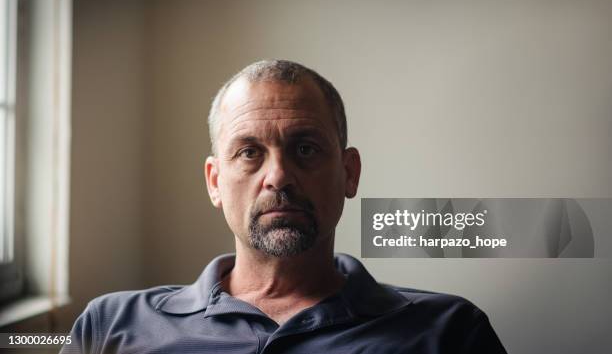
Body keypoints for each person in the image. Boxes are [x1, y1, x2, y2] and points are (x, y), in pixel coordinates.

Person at [62, 60, 507, 354]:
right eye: (249, 152)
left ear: (349, 173)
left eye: (306, 149)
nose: (278, 176)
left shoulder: (450, 332)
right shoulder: (110, 326)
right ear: (215, 182)